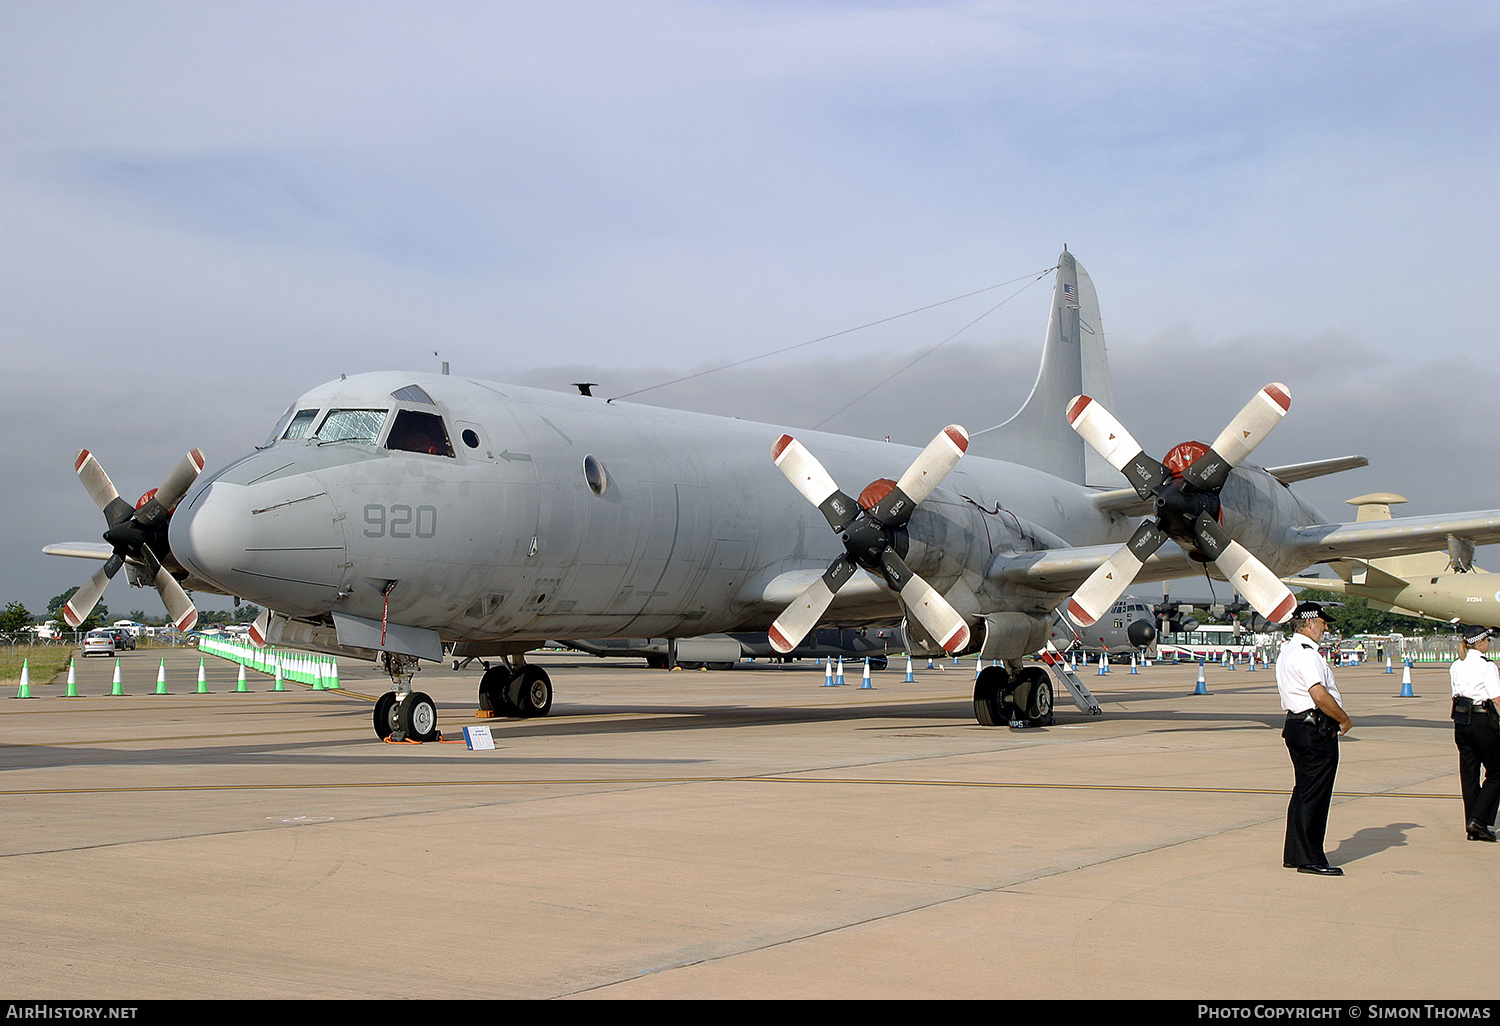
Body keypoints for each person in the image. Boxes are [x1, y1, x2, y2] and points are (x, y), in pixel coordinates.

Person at [1276, 601, 1353, 875]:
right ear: (1309, 623)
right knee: (1315, 794)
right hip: (1314, 728)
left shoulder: (1289, 650)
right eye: (1322, 622)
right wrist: (1343, 718)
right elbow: (1318, 694)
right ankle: (1311, 858)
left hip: (1297, 725)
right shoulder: (1307, 653)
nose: (1326, 627)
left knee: (1304, 791)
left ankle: (1296, 853)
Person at [1449, 625, 1500, 842]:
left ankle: (1472, 827)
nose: (1490, 644)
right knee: (1497, 772)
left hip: (1462, 720)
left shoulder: (1456, 665)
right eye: (1488, 640)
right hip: (1482, 719)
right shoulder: (1487, 666)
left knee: (1469, 774)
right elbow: (1496, 698)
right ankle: (1478, 820)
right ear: (1481, 643)